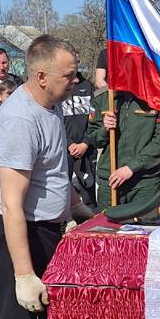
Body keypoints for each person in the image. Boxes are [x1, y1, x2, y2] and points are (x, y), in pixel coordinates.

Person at [0, 35, 80, 319]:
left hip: (45, 229)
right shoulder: (20, 121)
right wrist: (24, 275)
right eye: (68, 75)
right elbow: (12, 204)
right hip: (20, 233)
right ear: (41, 76)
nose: (76, 80)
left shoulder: (52, 105)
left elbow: (52, 170)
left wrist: (80, 208)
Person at [88, 86, 160, 215]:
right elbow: (93, 139)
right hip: (110, 181)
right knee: (107, 231)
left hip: (144, 182)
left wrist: (131, 167)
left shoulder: (158, 96)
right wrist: (105, 129)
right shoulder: (103, 98)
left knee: (144, 230)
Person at [62, 72, 96, 213]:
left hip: (86, 146)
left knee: (88, 186)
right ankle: (61, 225)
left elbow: (95, 117)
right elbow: (54, 119)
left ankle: (91, 224)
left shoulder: (88, 86)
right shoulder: (59, 87)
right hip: (65, 146)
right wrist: (69, 143)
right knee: (63, 187)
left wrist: (85, 143)